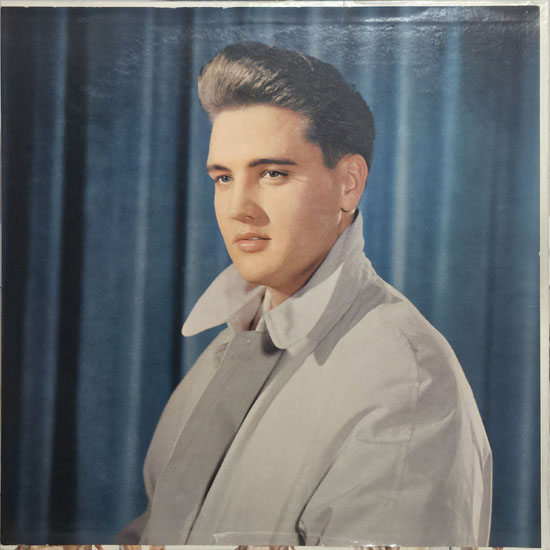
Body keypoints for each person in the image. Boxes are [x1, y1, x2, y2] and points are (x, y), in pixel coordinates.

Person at [118, 42, 492, 546]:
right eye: (223, 177)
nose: (238, 207)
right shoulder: (225, 348)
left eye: (272, 173)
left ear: (349, 184)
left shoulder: (406, 384)